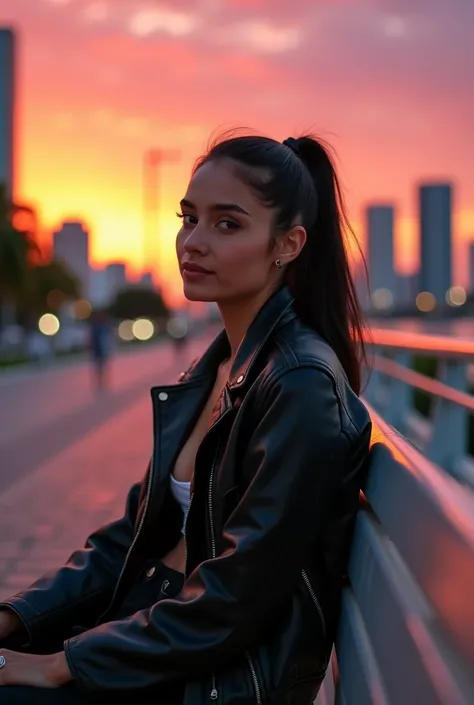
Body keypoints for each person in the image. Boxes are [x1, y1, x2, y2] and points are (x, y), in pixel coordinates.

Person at [0, 133, 372, 704]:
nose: (192, 242)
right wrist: (14, 619)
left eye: (227, 224)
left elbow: (236, 598)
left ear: (287, 244)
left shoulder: (299, 385)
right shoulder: (217, 365)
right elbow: (129, 537)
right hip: (151, 629)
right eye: (189, 218)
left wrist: (60, 666)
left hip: (213, 679)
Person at [88, 310, 112, 390]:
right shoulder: (99, 327)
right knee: (100, 367)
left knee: (100, 367)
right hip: (99, 350)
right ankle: (100, 382)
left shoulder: (100, 327)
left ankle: (101, 382)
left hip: (100, 350)